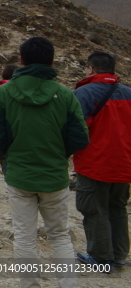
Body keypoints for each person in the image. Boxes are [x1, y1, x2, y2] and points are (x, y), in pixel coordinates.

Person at [0, 37, 90, 288]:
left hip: (19, 175)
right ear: (52, 61)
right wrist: (58, 153)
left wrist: (14, 151)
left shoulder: (4, 91)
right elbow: (79, 137)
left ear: (21, 60)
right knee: (60, 236)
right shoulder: (65, 94)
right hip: (54, 176)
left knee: (24, 237)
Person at [72, 51, 131, 270]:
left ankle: (99, 257)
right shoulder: (128, 93)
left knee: (94, 209)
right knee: (118, 208)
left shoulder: (84, 93)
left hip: (95, 163)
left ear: (91, 69)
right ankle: (119, 255)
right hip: (124, 163)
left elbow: (76, 130)